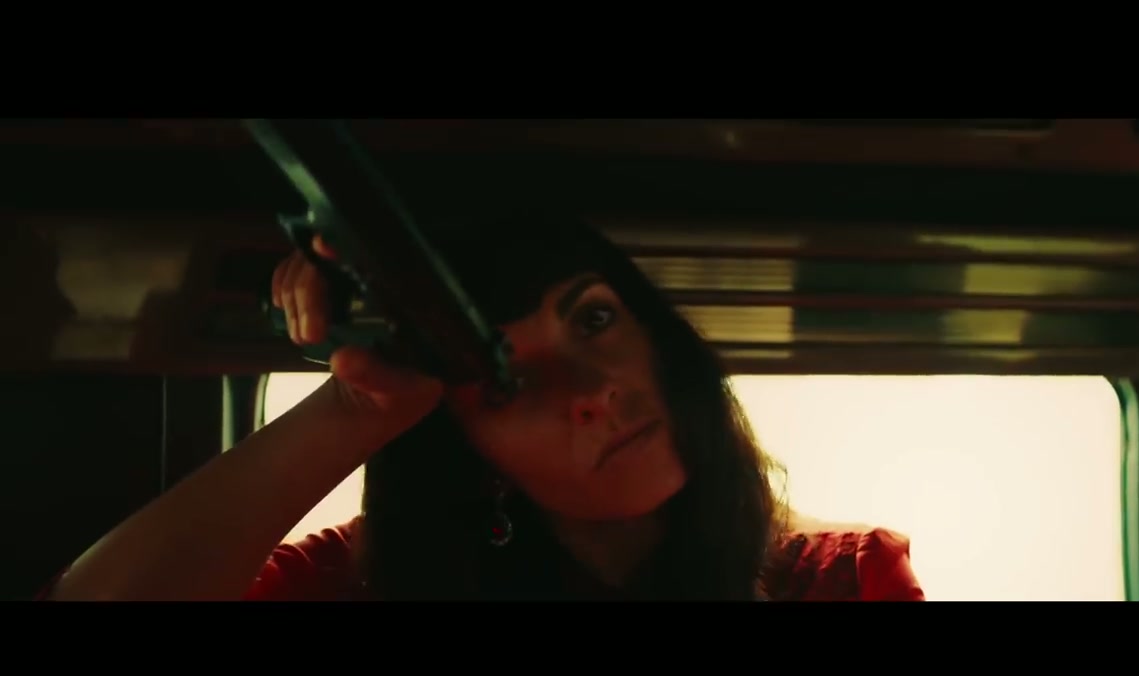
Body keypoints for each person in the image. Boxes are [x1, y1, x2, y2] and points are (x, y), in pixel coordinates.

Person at [43, 214, 925, 601]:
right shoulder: (373, 580)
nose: (592, 393)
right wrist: (350, 406)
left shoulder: (845, 580)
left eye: (594, 319)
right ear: (470, 451)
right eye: (507, 380)